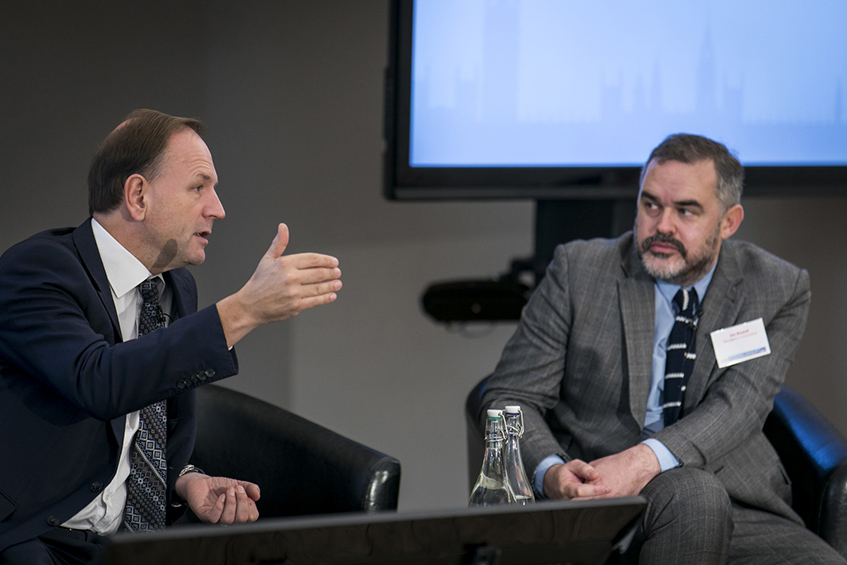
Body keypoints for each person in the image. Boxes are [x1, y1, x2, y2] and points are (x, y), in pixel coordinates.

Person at [480, 133, 845, 563]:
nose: (662, 225)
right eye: (650, 204)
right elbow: (509, 398)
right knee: (694, 495)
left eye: (686, 210)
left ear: (729, 222)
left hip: (736, 497)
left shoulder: (776, 287)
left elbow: (738, 406)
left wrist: (640, 462)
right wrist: (552, 472)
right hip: (597, 499)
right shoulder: (579, 271)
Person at [0, 109, 343, 563]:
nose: (217, 208)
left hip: (125, 543)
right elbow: (100, 382)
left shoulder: (174, 285)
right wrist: (242, 310)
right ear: (138, 195)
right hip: (33, 535)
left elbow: (154, 419)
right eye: (199, 187)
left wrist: (186, 479)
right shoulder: (37, 270)